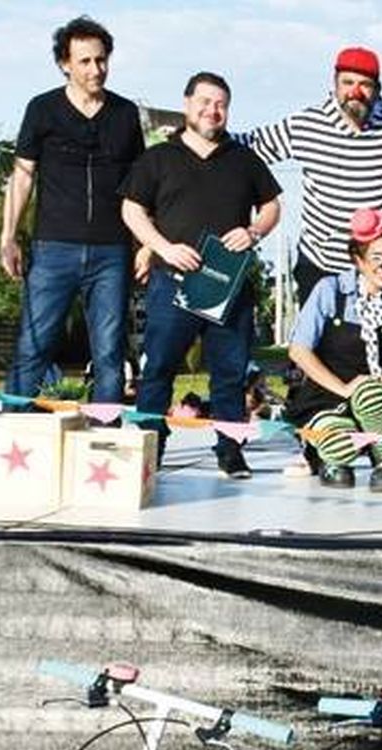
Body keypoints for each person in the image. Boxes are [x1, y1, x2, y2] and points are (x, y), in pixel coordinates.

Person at [120, 72, 283, 477]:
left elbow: (272, 205)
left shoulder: (243, 158)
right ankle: (152, 445)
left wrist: (254, 231)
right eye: (205, 101)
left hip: (227, 286)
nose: (213, 110)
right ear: (187, 103)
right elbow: (132, 210)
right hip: (171, 283)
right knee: (158, 368)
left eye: (221, 104)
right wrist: (162, 247)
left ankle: (230, 450)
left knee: (230, 374)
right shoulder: (158, 157)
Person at [0, 16, 143, 405]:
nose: (96, 69)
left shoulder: (126, 114)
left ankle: (104, 444)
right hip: (52, 249)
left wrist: (143, 246)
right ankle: (13, 434)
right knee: (33, 346)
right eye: (85, 62)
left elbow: (140, 187)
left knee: (110, 355)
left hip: (111, 253)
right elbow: (23, 176)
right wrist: (8, 237)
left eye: (101, 60)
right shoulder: (42, 109)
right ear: (65, 63)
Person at [286, 210, 382, 493]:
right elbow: (299, 350)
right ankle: (333, 460)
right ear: (359, 259)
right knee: (339, 443)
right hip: (329, 398)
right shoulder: (330, 290)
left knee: (371, 392)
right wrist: (344, 389)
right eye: (377, 257)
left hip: (379, 405)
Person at [241, 46, 382, 305]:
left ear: (378, 89)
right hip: (320, 264)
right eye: (347, 82)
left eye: (365, 84)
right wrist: (190, 134)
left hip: (377, 266)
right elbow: (250, 146)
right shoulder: (307, 124)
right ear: (334, 84)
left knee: (381, 343)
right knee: (313, 344)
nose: (355, 92)